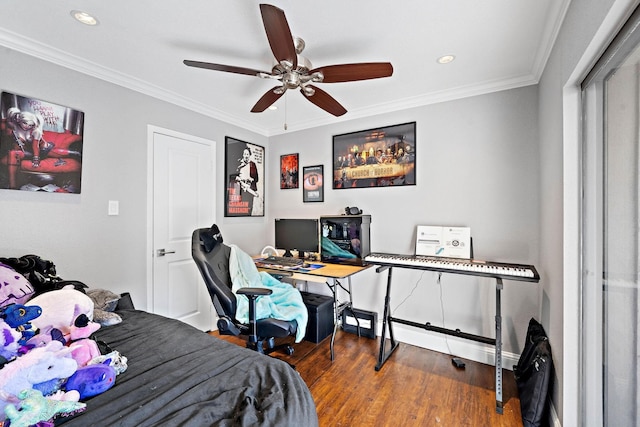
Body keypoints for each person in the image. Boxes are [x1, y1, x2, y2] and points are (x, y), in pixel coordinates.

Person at [236, 146, 259, 214]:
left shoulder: (253, 164)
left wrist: (251, 180)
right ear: (243, 155)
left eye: (247, 154)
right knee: (241, 209)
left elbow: (256, 178)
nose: (246, 156)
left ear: (249, 155)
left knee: (249, 208)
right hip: (241, 189)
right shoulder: (239, 164)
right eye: (244, 154)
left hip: (250, 190)